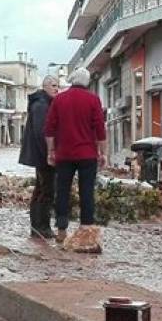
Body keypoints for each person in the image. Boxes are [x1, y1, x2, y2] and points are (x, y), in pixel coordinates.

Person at [44, 67, 107, 243]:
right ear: (87, 82)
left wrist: (51, 151)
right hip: (87, 154)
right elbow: (100, 129)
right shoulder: (93, 100)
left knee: (62, 191)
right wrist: (103, 153)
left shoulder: (59, 99)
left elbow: (49, 128)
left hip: (64, 154)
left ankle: (62, 228)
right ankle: (86, 228)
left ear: (72, 80)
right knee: (86, 191)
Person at [19, 76, 60, 239]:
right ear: (46, 87)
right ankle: (41, 226)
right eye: (54, 86)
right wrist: (49, 154)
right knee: (46, 190)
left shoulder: (43, 103)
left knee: (42, 189)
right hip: (42, 156)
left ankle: (39, 226)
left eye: (59, 86)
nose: (58, 89)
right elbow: (42, 132)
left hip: (40, 155)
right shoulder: (42, 105)